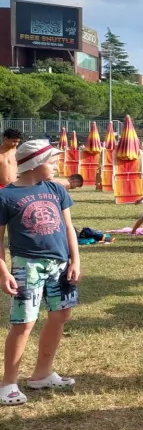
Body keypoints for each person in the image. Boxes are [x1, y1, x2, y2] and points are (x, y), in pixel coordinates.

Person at [0, 140, 79, 406]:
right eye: (53, 163)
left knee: (61, 314)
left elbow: (69, 228)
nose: (57, 167)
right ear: (36, 163)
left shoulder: (56, 190)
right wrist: (3, 271)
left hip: (60, 265)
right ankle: (8, 383)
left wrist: (75, 260)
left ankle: (42, 374)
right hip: (27, 266)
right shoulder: (5, 197)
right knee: (24, 323)